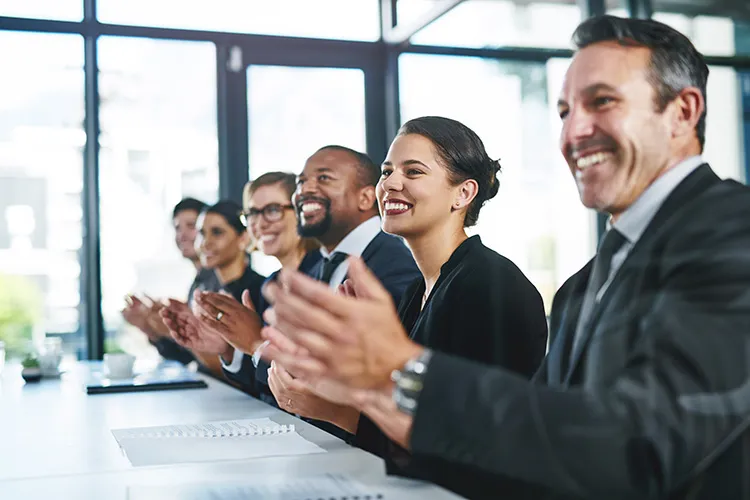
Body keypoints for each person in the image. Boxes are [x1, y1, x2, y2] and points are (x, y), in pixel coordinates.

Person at [261, 15, 750, 500]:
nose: (574, 131)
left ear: (683, 112)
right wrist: (357, 389)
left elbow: (639, 450)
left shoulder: (734, 235)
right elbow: (528, 447)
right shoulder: (585, 283)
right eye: (563, 112)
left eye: (602, 102)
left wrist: (401, 371)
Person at [266, 117, 549, 499]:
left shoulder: (490, 285)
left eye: (413, 171)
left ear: (463, 194)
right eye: (386, 172)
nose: (390, 184)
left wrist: (335, 411)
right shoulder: (417, 290)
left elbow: (470, 443)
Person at [194, 146, 420, 433]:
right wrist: (231, 348)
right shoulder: (319, 268)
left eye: (323, 178)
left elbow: (378, 386)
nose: (305, 190)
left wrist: (256, 346)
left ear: (365, 197)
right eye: (301, 183)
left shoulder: (394, 264)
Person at [215, 172, 321, 401]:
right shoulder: (270, 284)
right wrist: (227, 350)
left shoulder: (323, 277)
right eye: (252, 213)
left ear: (301, 212)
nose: (259, 223)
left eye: (272, 210)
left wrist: (256, 344)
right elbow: (260, 383)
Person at [161, 200, 266, 378]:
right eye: (202, 233)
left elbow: (257, 378)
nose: (205, 242)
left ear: (243, 238)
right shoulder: (206, 290)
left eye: (217, 233)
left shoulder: (259, 290)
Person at [121, 197, 220, 366]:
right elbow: (188, 357)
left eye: (191, 226)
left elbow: (222, 362)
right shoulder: (197, 284)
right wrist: (151, 328)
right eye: (177, 228)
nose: (182, 235)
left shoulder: (218, 284)